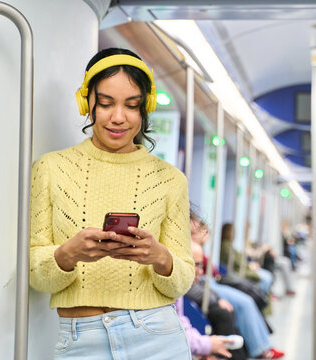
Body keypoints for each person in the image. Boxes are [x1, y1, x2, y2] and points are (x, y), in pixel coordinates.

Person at [29, 48, 195, 359]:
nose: (118, 117)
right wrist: (67, 254)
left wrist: (161, 258)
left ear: (144, 108)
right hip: (80, 341)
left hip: (156, 335)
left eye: (132, 106)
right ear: (86, 102)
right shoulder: (50, 169)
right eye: (105, 103)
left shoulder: (171, 179)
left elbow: (183, 279)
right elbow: (37, 275)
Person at [189, 216, 285, 359]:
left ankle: (263, 344)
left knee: (249, 298)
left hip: (213, 281)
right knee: (245, 302)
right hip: (210, 284)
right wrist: (216, 299)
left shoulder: (200, 250)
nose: (205, 234)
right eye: (198, 230)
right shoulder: (192, 251)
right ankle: (260, 348)